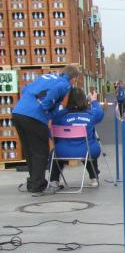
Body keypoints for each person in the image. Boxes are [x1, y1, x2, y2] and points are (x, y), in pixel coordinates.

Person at [12, 65, 77, 195]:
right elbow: (51, 98)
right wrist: (47, 109)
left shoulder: (46, 77)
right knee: (40, 152)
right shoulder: (64, 84)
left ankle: (32, 182)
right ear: (73, 78)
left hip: (18, 113)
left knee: (29, 150)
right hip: (34, 116)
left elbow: (25, 89)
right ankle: (37, 186)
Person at [48, 86, 104, 188]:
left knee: (55, 152)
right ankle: (94, 177)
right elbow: (100, 113)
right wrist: (94, 101)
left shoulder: (60, 116)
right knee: (89, 146)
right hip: (86, 150)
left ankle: (54, 180)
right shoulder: (91, 114)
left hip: (63, 151)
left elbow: (52, 130)